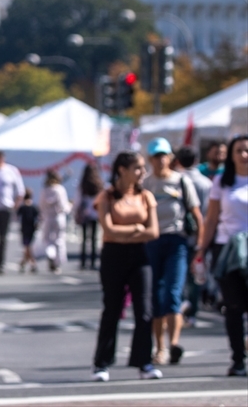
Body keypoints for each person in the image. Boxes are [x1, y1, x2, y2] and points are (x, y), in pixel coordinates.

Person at [90, 150, 162, 382]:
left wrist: (130, 234)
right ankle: (102, 363)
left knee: (144, 310)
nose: (142, 173)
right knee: (112, 308)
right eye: (138, 168)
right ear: (122, 170)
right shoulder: (107, 196)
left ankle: (144, 362)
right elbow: (109, 229)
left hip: (140, 256)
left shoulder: (146, 197)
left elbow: (153, 231)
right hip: (113, 255)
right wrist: (135, 230)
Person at [142, 138, 202, 366]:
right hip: (152, 242)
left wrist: (200, 246)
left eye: (164, 155)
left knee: (173, 293)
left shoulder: (181, 182)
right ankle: (159, 347)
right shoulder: (146, 184)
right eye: (156, 156)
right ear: (150, 159)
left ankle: (174, 343)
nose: (160, 160)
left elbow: (197, 214)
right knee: (156, 295)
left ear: (170, 157)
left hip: (177, 241)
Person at [195, 134, 248, 377]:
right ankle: (238, 359)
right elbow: (212, 218)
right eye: (239, 150)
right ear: (231, 155)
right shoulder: (222, 181)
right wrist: (202, 249)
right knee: (234, 307)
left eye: (247, 150)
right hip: (227, 250)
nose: (244, 155)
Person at [173, 145, 212, 322]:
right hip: (201, 234)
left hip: (178, 234)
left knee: (177, 274)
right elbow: (208, 213)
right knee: (196, 274)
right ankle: (192, 311)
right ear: (196, 161)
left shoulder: (176, 180)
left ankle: (178, 309)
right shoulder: (206, 183)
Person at [40, 170, 72, 274]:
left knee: (48, 239)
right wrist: (70, 206)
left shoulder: (45, 190)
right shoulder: (59, 189)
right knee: (59, 239)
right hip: (58, 217)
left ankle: (51, 255)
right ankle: (57, 261)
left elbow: (41, 205)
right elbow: (64, 206)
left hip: (48, 217)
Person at [75, 162, 104, 270]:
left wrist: (77, 211)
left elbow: (78, 200)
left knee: (84, 238)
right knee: (93, 238)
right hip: (95, 214)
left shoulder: (83, 185)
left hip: (85, 214)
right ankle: (92, 261)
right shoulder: (99, 184)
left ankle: (83, 261)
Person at [17, 189, 40, 274]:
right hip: (32, 229)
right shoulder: (34, 207)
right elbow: (38, 218)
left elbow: (17, 215)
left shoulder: (22, 207)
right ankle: (26, 263)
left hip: (24, 229)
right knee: (28, 247)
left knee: (27, 247)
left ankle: (29, 263)